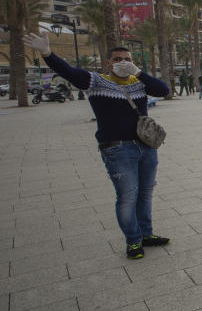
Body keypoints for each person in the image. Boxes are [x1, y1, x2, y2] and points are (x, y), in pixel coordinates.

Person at [23, 32, 170, 259]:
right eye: (118, 59)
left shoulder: (138, 83)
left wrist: (138, 72)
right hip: (117, 149)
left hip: (146, 146)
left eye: (128, 59)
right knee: (127, 196)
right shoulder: (96, 81)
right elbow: (68, 72)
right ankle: (133, 241)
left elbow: (163, 90)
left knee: (145, 192)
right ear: (108, 63)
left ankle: (146, 234)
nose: (123, 63)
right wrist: (47, 53)